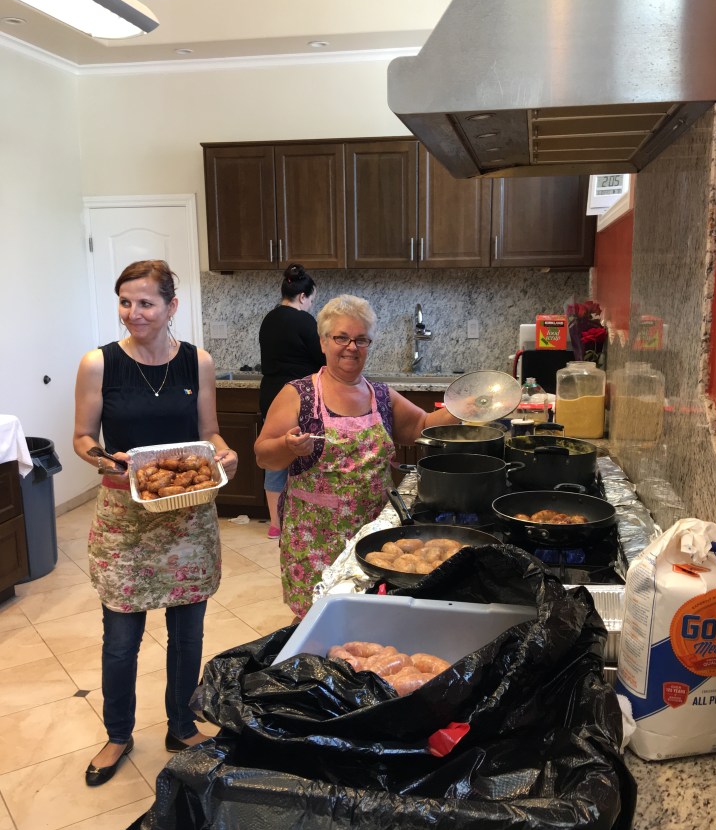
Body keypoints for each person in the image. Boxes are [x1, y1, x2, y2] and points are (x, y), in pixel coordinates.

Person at [73, 259, 238, 787]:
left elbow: (210, 432)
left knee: (187, 633)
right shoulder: (98, 363)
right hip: (125, 520)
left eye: (146, 302)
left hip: (188, 517)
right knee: (121, 637)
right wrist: (105, 460)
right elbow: (82, 437)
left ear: (171, 306)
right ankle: (117, 734)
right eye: (125, 302)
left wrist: (226, 453)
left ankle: (182, 727)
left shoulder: (197, 363)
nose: (133, 313)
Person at [254, 294, 461, 618]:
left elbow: (422, 426)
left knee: (369, 618)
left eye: (361, 339)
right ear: (323, 342)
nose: (351, 347)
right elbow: (264, 456)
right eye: (341, 338)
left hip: (374, 536)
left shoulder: (381, 396)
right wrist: (287, 446)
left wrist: (465, 408)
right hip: (314, 539)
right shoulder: (299, 394)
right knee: (316, 619)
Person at [259, 263, 326, 539]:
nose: (310, 305)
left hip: (270, 394)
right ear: (302, 296)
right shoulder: (305, 321)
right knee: (302, 452)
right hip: (300, 397)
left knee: (276, 455)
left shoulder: (269, 319)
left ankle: (276, 524)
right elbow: (323, 359)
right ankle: (306, 516)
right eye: (311, 300)